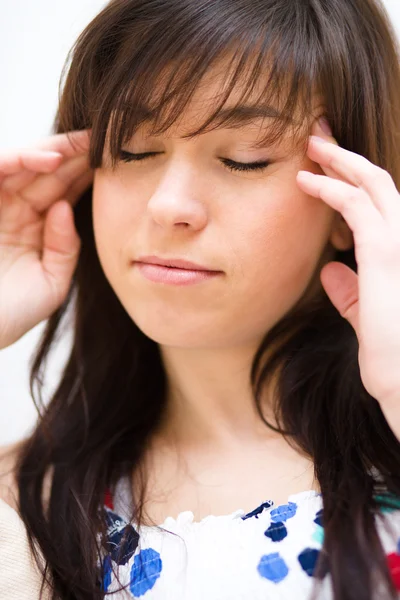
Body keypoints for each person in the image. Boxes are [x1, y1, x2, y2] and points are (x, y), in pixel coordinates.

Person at [1, 0, 400, 598]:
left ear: (350, 198)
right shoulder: (24, 503)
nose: (169, 204)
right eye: (134, 149)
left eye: (244, 159)